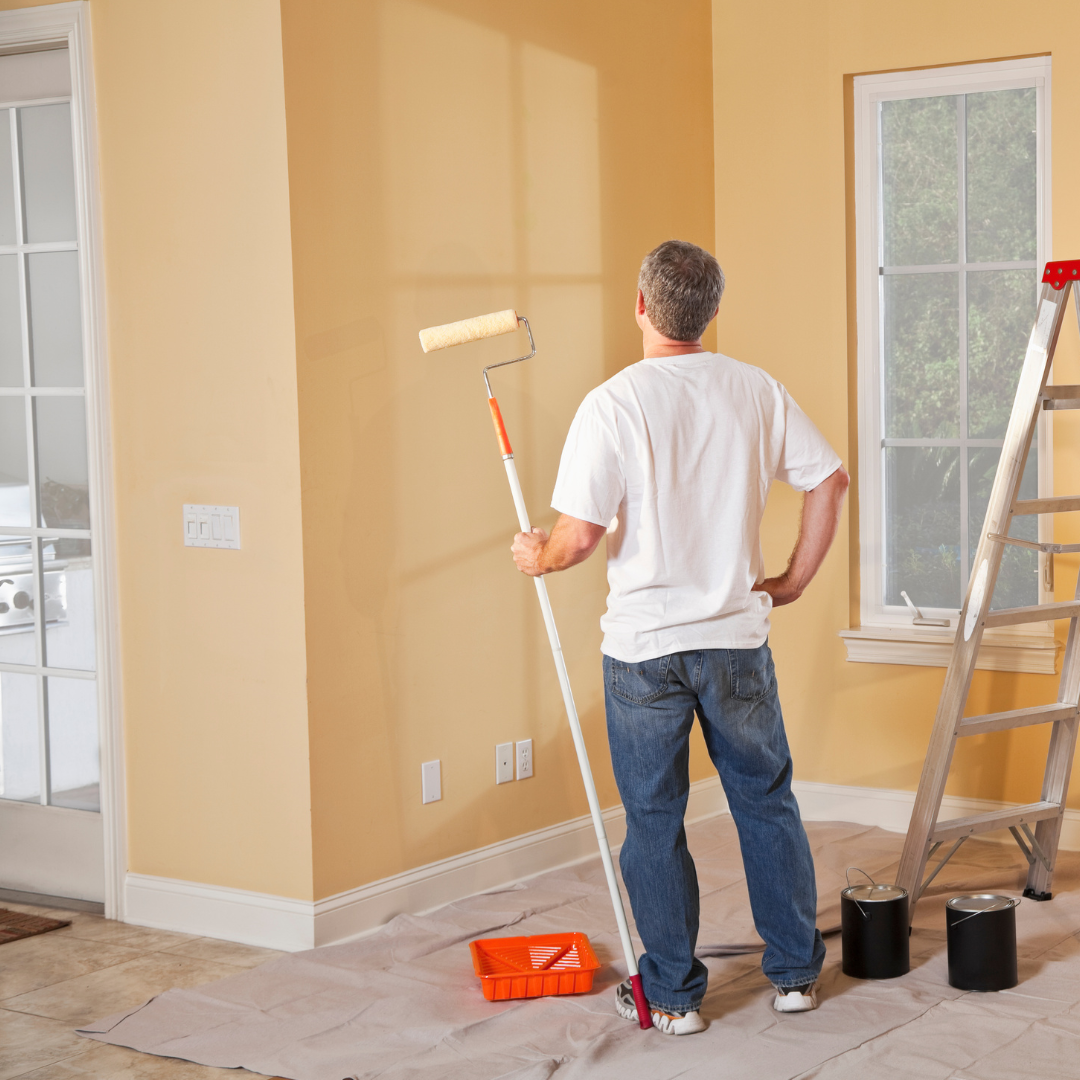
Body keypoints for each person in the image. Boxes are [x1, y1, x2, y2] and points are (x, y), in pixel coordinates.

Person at [511, 240, 849, 1035]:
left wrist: (538, 555)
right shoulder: (755, 389)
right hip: (735, 641)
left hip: (644, 652)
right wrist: (792, 582)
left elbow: (578, 539)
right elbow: (829, 481)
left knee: (655, 822)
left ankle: (672, 996)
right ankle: (795, 977)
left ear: (640, 305)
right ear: (712, 311)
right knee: (765, 804)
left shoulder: (613, 404)